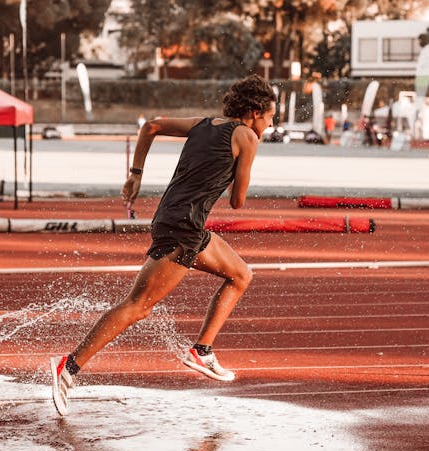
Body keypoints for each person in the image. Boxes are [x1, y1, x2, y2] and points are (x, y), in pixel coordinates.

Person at [50, 75, 276, 416]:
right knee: (138, 305)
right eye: (270, 118)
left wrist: (135, 173)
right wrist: (242, 164)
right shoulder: (246, 136)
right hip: (182, 227)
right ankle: (69, 365)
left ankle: (202, 350)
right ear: (255, 112)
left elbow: (152, 125)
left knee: (241, 275)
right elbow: (238, 201)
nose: (270, 126)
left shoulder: (203, 123)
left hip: (180, 221)